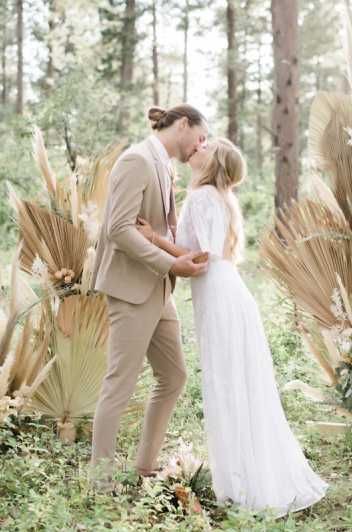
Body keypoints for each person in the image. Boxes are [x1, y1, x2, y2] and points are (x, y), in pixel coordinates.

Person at [135, 138, 328, 517]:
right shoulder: (216, 197)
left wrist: (152, 239)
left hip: (222, 299)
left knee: (227, 385)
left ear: (215, 161)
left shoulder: (206, 195)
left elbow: (201, 257)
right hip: (228, 295)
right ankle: (244, 478)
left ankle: (242, 485)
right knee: (236, 385)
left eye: (207, 145)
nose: (198, 145)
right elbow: (195, 247)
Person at [88, 104, 209, 492]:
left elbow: (155, 228)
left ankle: (145, 467)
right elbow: (119, 229)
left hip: (159, 287)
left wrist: (175, 257)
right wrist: (172, 265)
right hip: (131, 288)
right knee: (119, 384)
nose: (201, 147)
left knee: (173, 375)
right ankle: (102, 485)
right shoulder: (135, 159)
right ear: (184, 125)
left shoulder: (164, 165)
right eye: (201, 138)